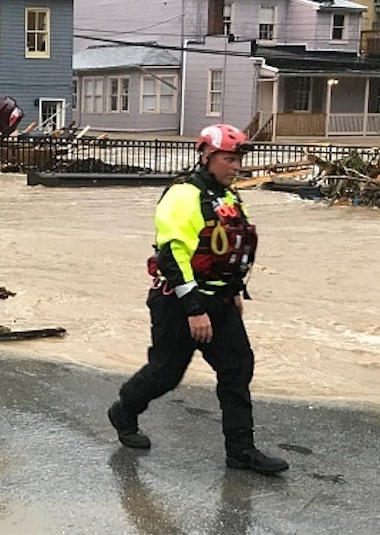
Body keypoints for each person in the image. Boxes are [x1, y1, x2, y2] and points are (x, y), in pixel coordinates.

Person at [107, 124, 289, 476]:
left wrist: (234, 292)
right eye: (228, 159)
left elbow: (228, 248)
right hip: (179, 303)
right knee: (166, 374)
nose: (236, 166)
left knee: (237, 369)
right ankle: (123, 410)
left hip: (219, 300)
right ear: (206, 156)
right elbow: (172, 256)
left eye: (238, 159)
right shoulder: (182, 195)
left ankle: (241, 451)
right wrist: (194, 310)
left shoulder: (228, 198)